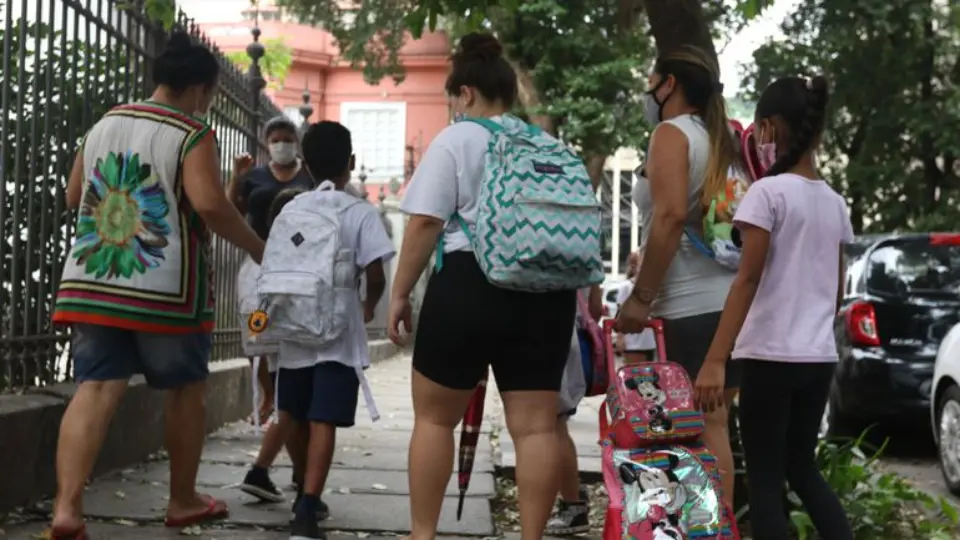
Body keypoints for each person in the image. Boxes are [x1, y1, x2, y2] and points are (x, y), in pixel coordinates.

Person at [49, 32, 265, 538]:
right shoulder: (191, 132)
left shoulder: (105, 123)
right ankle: (183, 500)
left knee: (95, 386)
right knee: (185, 389)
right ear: (202, 89)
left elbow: (74, 195)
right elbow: (210, 205)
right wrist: (257, 245)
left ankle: (66, 509)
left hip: (94, 280)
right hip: (165, 290)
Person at [388, 32, 576, 540]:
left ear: (466, 93)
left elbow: (425, 223)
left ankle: (423, 534)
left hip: (471, 285)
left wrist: (400, 292)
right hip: (545, 294)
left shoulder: (458, 138)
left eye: (454, 97)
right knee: (536, 427)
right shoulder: (547, 144)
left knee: (433, 420)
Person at [694, 76, 854, 540]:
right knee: (802, 470)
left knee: (765, 480)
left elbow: (747, 279)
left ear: (766, 129)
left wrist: (714, 359)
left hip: (768, 356)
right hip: (818, 357)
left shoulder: (767, 193)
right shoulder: (834, 201)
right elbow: (837, 291)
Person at [615, 44, 743, 507]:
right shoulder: (723, 136)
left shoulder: (671, 134)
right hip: (726, 303)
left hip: (686, 305)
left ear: (669, 84)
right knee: (714, 425)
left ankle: (696, 529)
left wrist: (640, 298)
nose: (649, 89)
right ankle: (719, 529)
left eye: (653, 79)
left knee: (685, 433)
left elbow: (669, 218)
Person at [280, 121, 395, 540]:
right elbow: (377, 275)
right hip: (337, 333)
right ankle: (308, 508)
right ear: (351, 162)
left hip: (293, 327)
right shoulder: (360, 212)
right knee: (323, 417)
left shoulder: (291, 209)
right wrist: (365, 306)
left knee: (291, 413)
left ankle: (301, 482)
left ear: (305, 164)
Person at [230, 116, 315, 505]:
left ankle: (295, 473)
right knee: (280, 372)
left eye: (287, 139)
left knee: (289, 383)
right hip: (262, 281)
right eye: (275, 140)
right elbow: (228, 211)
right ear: (266, 144)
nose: (282, 145)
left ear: (296, 142)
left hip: (297, 278)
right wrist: (236, 176)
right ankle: (263, 468)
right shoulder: (254, 178)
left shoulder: (310, 178)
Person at [546, 285, 601, 535]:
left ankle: (571, 505)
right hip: (570, 334)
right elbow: (596, 308)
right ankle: (571, 498)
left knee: (549, 426)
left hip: (549, 331)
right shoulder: (585, 245)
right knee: (555, 425)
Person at [615, 251, 657, 363]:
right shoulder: (626, 287)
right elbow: (619, 315)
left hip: (650, 343)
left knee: (649, 378)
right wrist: (620, 339)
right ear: (635, 267)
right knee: (635, 377)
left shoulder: (652, 288)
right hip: (632, 344)